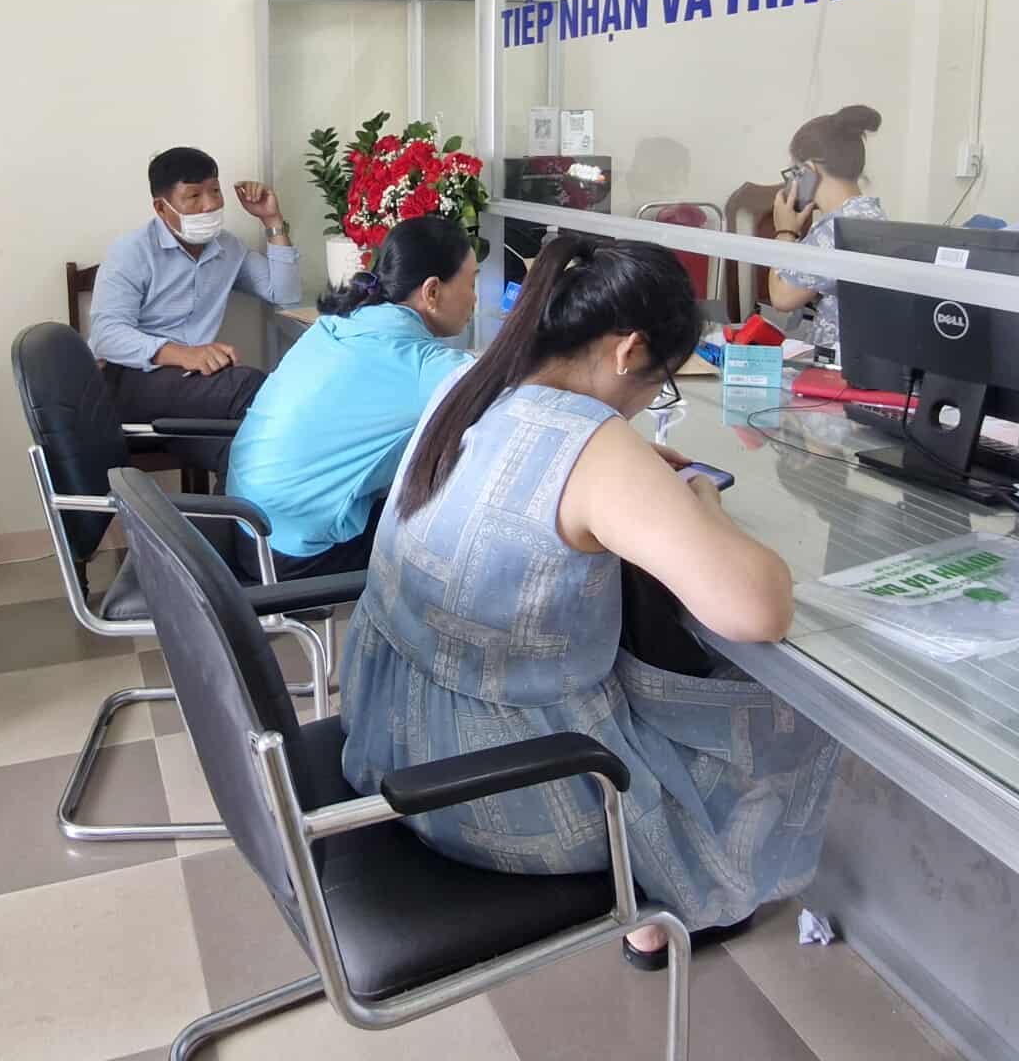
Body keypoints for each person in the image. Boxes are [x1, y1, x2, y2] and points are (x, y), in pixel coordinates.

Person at [338, 235, 839, 970]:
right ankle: (665, 899)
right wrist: (700, 502)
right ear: (629, 351)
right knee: (784, 713)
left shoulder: (470, 385)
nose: (646, 408)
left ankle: (646, 895)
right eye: (657, 386)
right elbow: (760, 608)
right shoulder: (596, 446)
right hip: (494, 787)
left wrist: (629, 473)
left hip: (384, 731)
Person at [224, 216, 476, 580]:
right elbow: (515, 400)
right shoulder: (423, 366)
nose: (475, 298)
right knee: (462, 528)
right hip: (291, 554)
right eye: (471, 283)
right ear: (432, 291)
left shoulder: (338, 324)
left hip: (247, 523)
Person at [88, 148, 300, 462]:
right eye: (194, 195)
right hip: (128, 381)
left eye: (215, 191)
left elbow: (284, 293)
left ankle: (233, 514)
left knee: (244, 452)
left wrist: (272, 219)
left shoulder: (226, 248)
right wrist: (185, 355)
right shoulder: (131, 251)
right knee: (247, 386)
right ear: (162, 207)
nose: (211, 203)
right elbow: (106, 335)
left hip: (190, 394)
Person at [766, 104, 888, 352]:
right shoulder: (871, 215)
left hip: (834, 368)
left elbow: (782, 297)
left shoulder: (836, 229)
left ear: (809, 170)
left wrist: (785, 232)